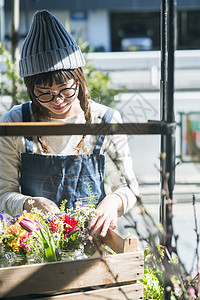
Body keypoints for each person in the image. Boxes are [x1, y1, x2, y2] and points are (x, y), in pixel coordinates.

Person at [0, 10, 139, 237]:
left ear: (79, 78)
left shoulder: (104, 121)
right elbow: (4, 193)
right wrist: (28, 204)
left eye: (66, 89)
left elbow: (129, 188)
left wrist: (113, 201)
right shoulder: (15, 123)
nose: (58, 101)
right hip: (35, 246)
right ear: (30, 90)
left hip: (95, 242)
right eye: (44, 93)